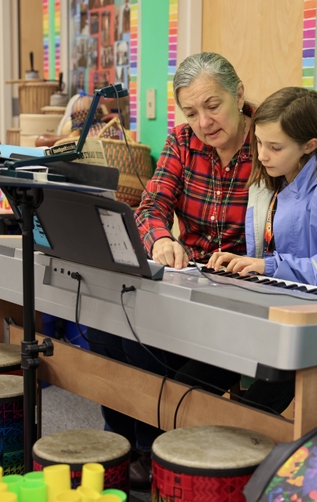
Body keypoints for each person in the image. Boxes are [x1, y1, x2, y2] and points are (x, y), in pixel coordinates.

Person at [177, 86, 317, 416]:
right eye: (259, 143)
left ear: (309, 145)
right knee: (186, 383)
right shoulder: (278, 185)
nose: (262, 155)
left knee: (249, 411)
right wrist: (245, 265)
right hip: (291, 326)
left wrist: (266, 266)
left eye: (275, 147)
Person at [95, 52, 255, 490]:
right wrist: (161, 239)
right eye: (191, 111)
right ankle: (127, 446)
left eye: (213, 105)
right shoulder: (182, 142)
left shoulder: (270, 140)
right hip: (191, 279)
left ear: (238, 95)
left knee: (147, 348)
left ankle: (153, 449)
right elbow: (150, 206)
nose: (203, 121)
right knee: (102, 329)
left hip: (246, 292)